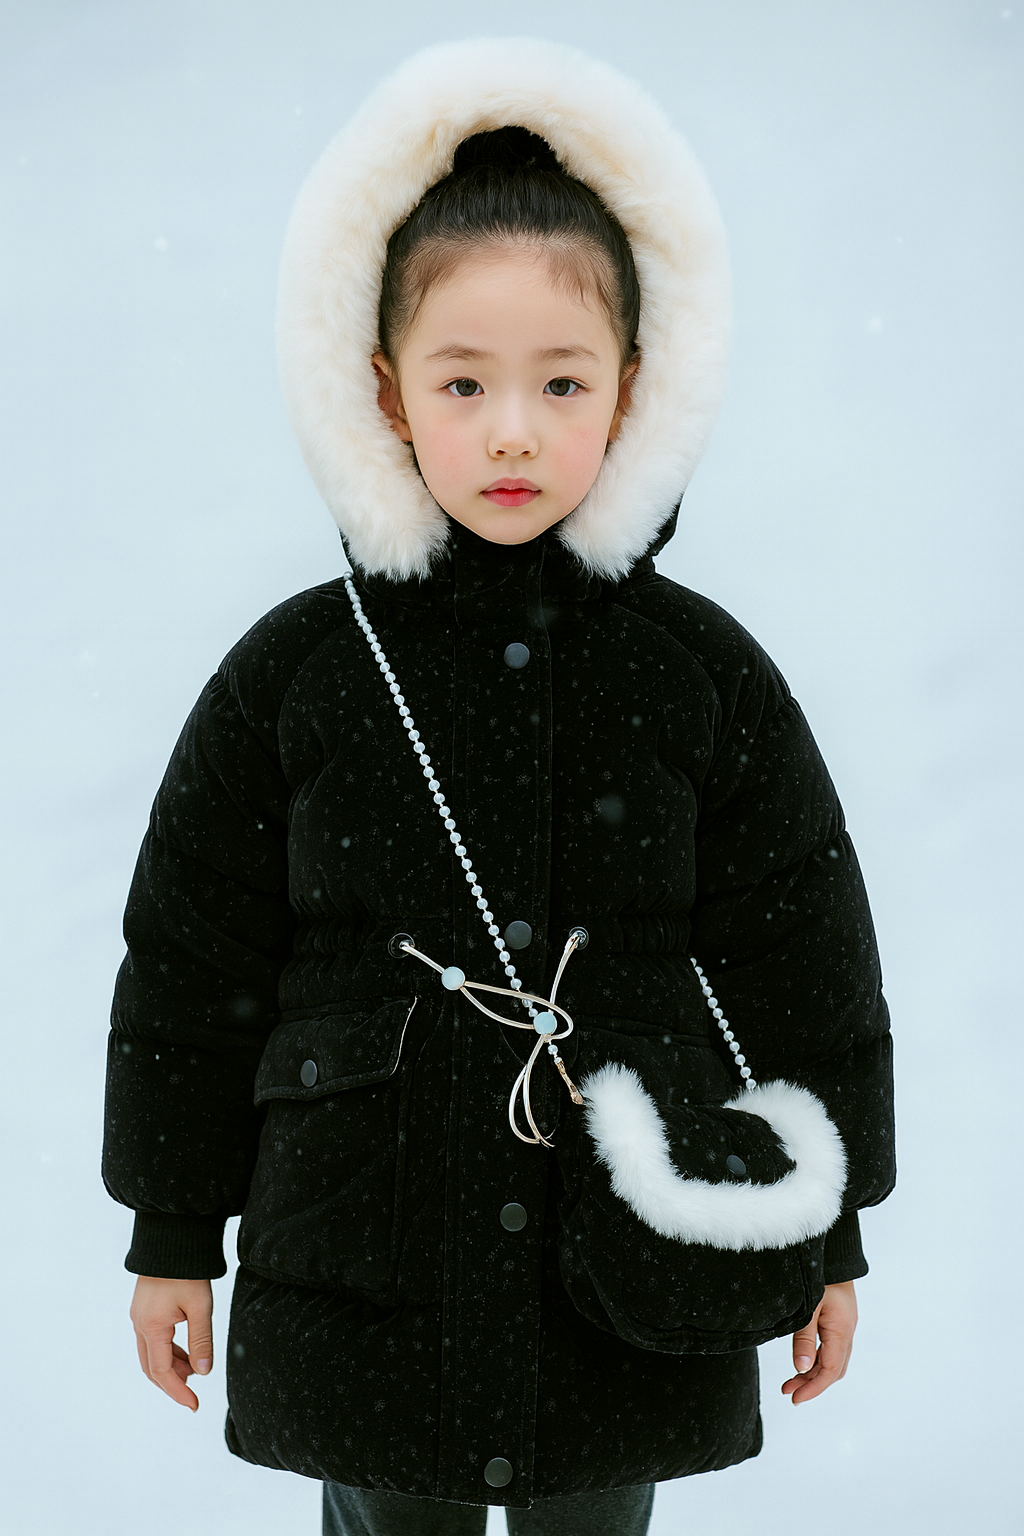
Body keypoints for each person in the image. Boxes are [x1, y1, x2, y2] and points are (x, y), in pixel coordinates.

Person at [103, 38, 895, 1536]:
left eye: (562, 381)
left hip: (626, 1251)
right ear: (388, 391)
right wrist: (169, 1232)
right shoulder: (298, 676)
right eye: (466, 380)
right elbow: (191, 965)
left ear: (634, 392)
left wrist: (827, 1233)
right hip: (363, 1250)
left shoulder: (698, 675)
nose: (514, 429)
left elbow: (804, 955)